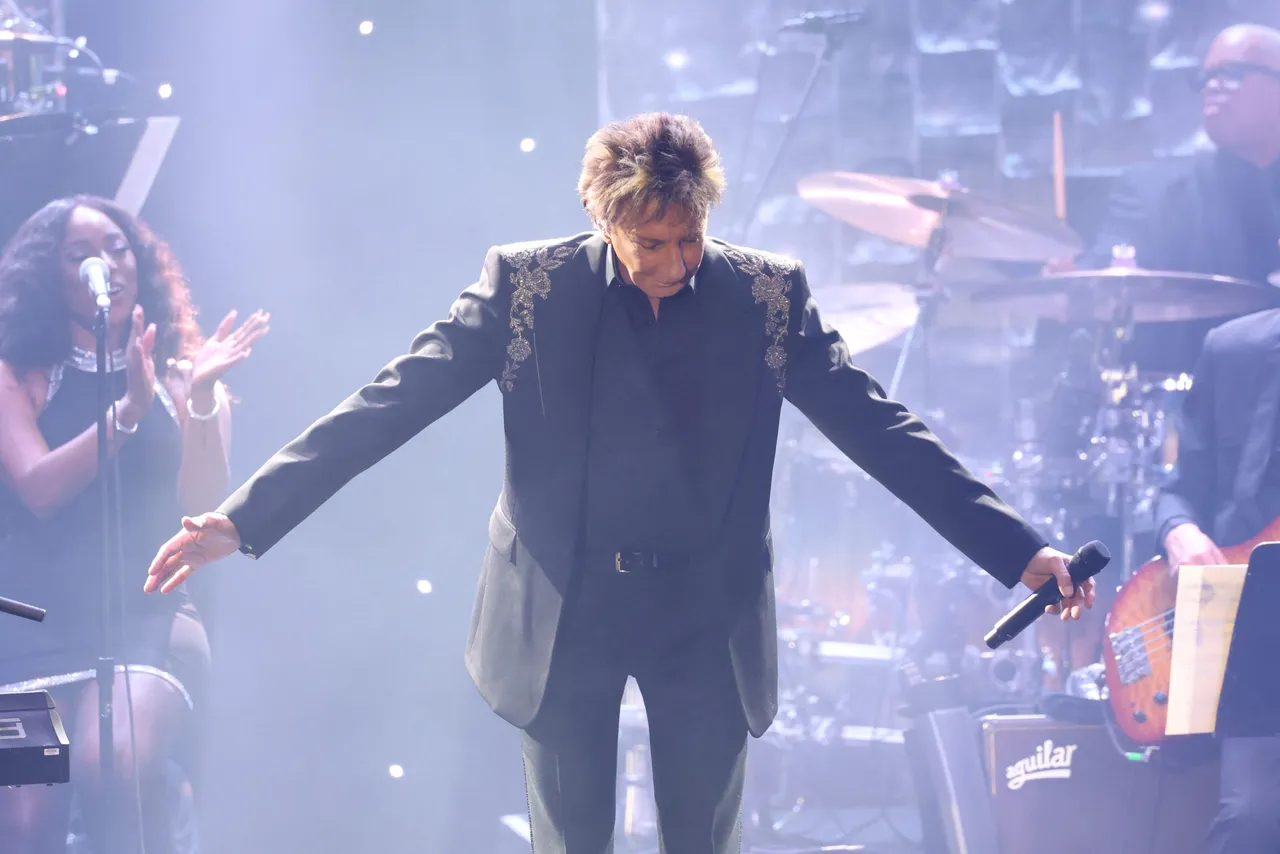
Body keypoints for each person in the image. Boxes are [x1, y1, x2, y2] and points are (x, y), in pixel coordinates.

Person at [143, 113, 1094, 854]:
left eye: (691, 239)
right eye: (653, 243)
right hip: (564, 606)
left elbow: (880, 427)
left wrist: (1019, 549)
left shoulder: (764, 295)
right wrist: (243, 516)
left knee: (701, 839)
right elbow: (395, 399)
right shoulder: (527, 288)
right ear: (604, 218)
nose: (676, 263)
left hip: (704, 608)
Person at [0, 195, 269, 854]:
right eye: (81, 253)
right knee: (26, 823)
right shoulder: (19, 376)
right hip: (33, 627)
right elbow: (37, 488)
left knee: (110, 762)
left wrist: (200, 401)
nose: (106, 264)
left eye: (117, 248)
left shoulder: (183, 377)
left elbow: (203, 507)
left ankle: (164, 808)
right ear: (49, 274)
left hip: (146, 616)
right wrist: (125, 412)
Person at [1052, 23, 1280, 374]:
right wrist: (1079, 279)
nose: (1212, 86)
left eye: (1232, 73)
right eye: (1206, 77)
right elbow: (1111, 269)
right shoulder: (1151, 190)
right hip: (1192, 404)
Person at [1156, 298, 1280, 853]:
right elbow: (1181, 487)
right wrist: (1178, 529)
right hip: (1255, 652)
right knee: (1253, 821)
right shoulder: (1233, 350)